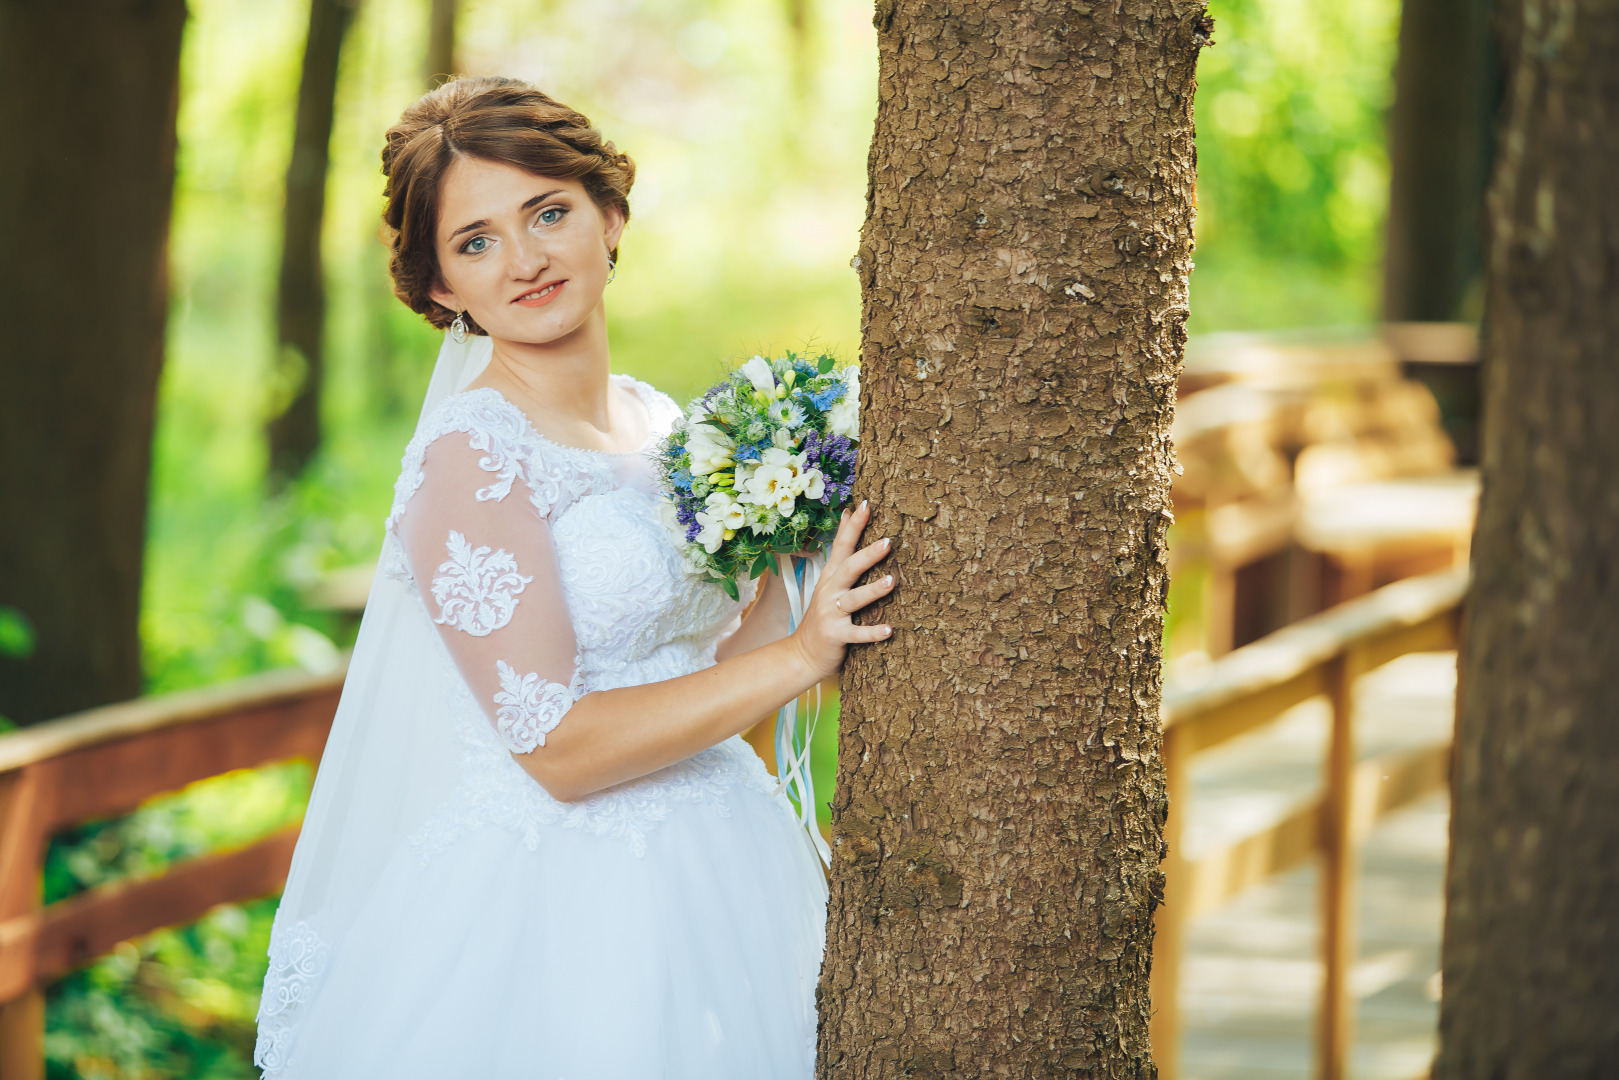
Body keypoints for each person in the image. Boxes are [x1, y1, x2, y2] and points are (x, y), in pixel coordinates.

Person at [253, 76, 894, 1079]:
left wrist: (802, 532)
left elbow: (721, 659)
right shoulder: (471, 461)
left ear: (609, 214)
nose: (525, 259)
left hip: (726, 855)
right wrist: (807, 655)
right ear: (437, 291)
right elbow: (555, 749)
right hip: (554, 904)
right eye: (475, 242)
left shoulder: (664, 424)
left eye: (547, 213)